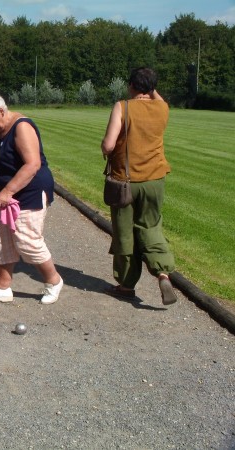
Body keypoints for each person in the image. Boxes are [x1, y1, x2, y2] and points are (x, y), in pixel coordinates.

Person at [0, 89, 63, 305]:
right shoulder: (0, 131)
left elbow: (32, 164)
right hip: (9, 192)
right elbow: (9, 158)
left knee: (27, 240)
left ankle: (54, 281)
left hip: (29, 190)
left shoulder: (22, 127)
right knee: (3, 239)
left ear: (0, 111)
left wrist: (7, 191)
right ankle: (3, 287)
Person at [101, 67, 177, 305]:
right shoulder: (162, 108)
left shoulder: (122, 107)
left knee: (124, 232)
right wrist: (152, 89)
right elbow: (158, 99)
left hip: (125, 181)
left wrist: (105, 148)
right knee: (151, 226)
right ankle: (162, 272)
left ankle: (126, 285)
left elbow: (109, 145)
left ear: (131, 85)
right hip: (155, 180)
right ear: (153, 88)